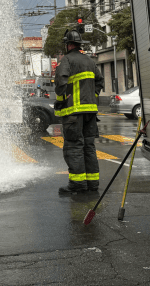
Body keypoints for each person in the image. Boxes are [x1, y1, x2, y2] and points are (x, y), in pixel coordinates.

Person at [54, 29, 104, 195]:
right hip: (90, 112)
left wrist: (61, 101)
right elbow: (99, 81)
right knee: (89, 147)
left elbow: (61, 83)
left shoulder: (66, 61)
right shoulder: (90, 61)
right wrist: (92, 96)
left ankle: (77, 184)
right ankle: (92, 183)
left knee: (74, 147)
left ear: (68, 45)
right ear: (79, 44)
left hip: (73, 112)